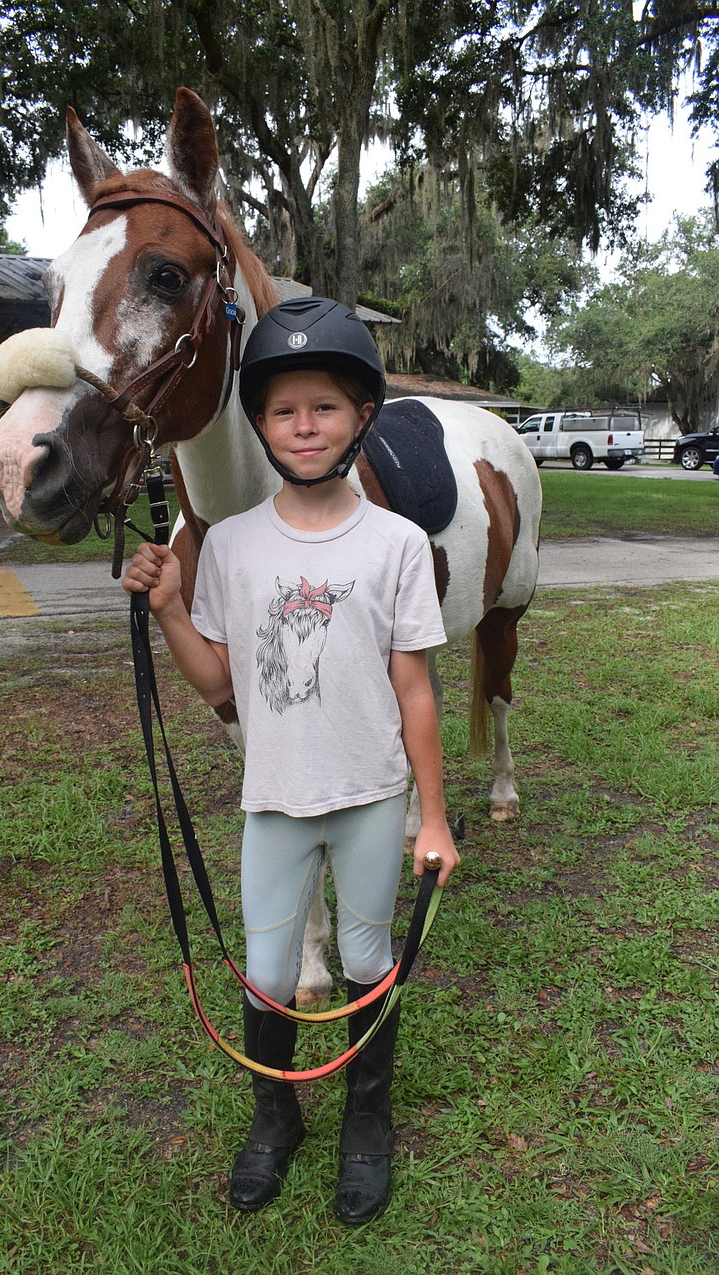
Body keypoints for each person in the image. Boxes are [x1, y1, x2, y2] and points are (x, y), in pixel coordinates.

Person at [122, 297, 459, 1224]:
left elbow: (416, 691)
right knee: (267, 974)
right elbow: (217, 683)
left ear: (361, 419)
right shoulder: (228, 544)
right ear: (260, 425)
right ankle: (276, 1118)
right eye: (283, 409)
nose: (304, 425)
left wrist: (431, 816)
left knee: (362, 954)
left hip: (369, 796)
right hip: (273, 799)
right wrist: (171, 612)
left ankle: (365, 1119)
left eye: (325, 406)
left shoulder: (395, 543)